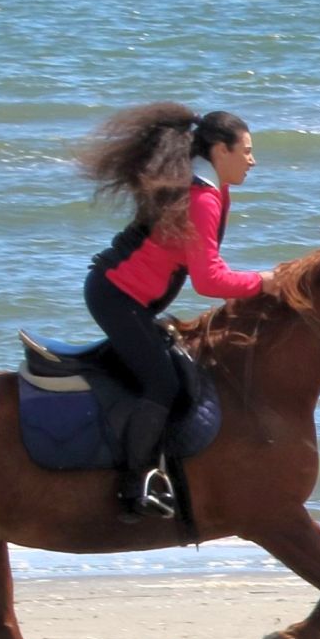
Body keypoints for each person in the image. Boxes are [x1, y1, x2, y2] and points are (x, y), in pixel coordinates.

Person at [79, 102, 263, 520]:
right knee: (162, 383)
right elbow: (209, 280)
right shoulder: (202, 197)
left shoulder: (210, 187)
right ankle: (134, 487)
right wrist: (265, 282)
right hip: (116, 296)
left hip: (132, 301)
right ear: (220, 150)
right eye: (247, 150)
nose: (253, 160)